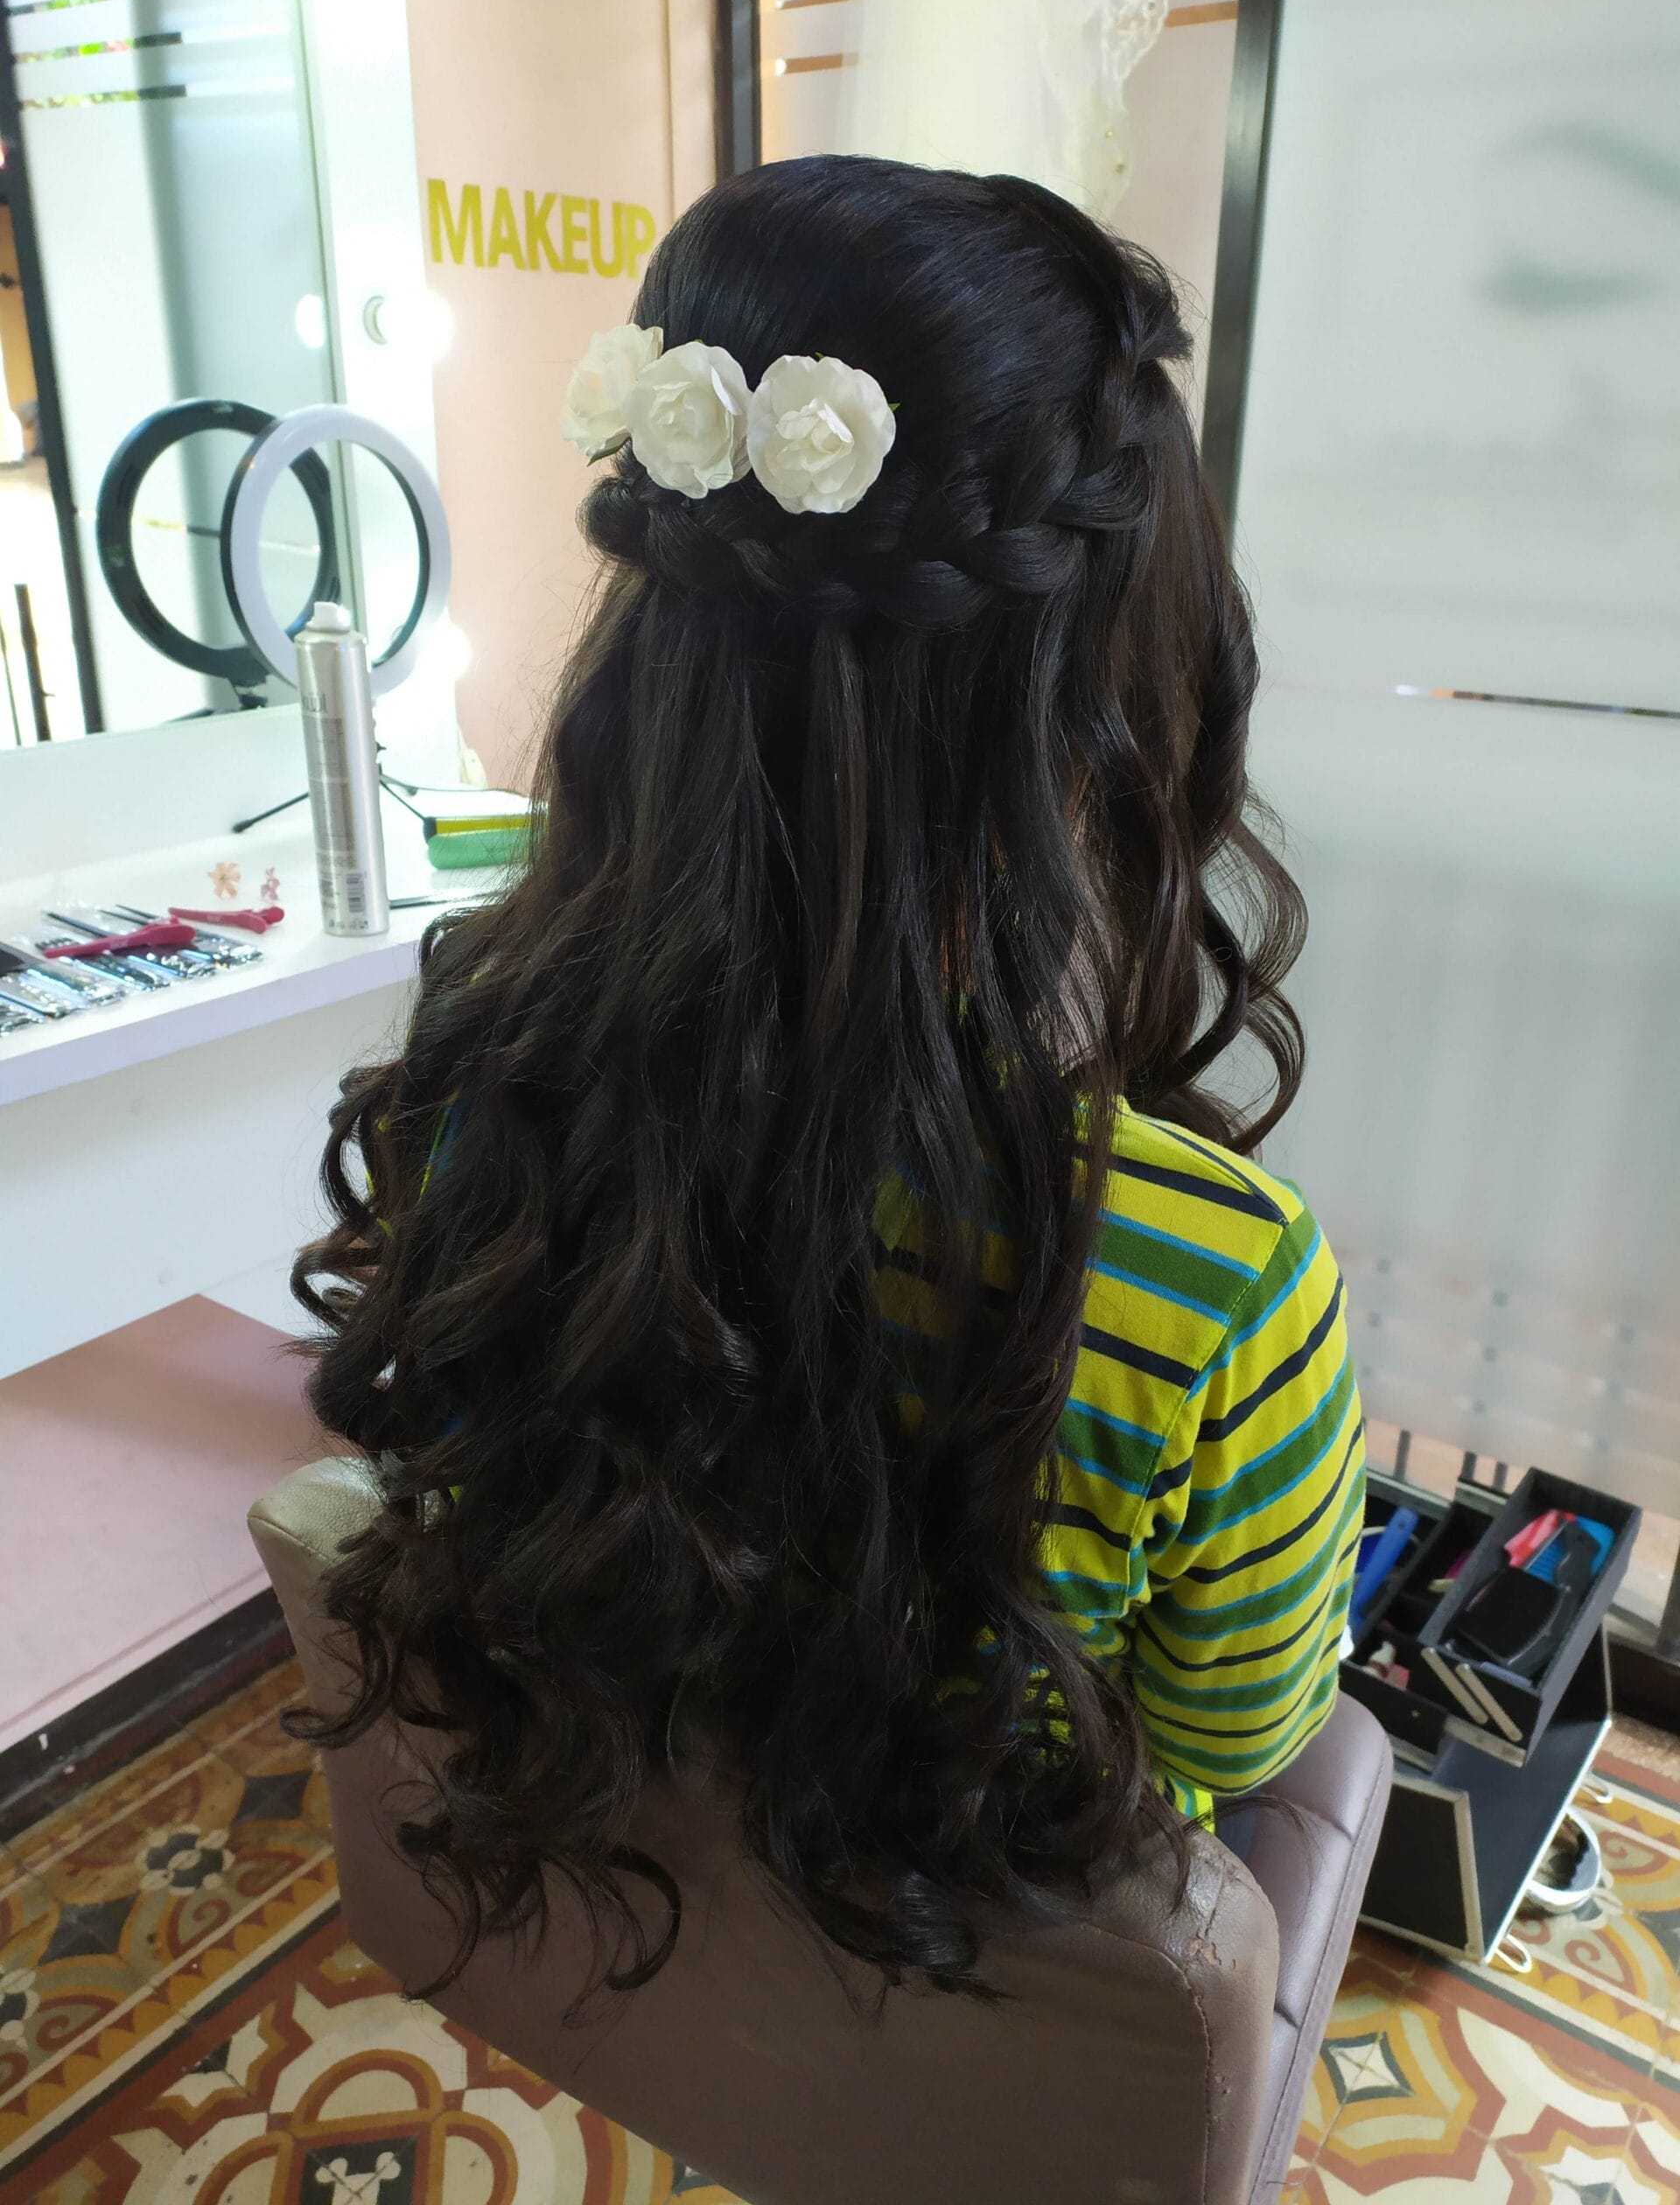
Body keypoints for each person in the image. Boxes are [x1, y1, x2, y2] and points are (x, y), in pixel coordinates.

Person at [296, 153, 1366, 2000]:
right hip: (991, 2008)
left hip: (615, 1928)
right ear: (1100, 712)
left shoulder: (485, 1094)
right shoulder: (1220, 1282)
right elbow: (1242, 1740)